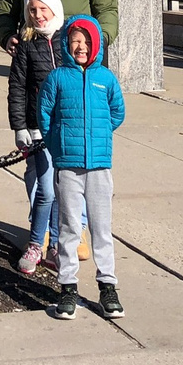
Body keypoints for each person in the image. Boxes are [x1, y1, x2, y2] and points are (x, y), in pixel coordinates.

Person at [37, 16, 125, 321]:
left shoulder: (106, 79)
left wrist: (100, 137)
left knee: (101, 228)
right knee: (70, 228)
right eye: (75, 40)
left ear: (97, 44)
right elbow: (44, 113)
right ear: (66, 44)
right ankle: (68, 287)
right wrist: (57, 143)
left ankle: (107, 286)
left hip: (99, 165)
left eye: (87, 41)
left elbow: (118, 112)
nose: (81, 46)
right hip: (68, 166)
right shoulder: (58, 78)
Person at [7, 0, 64, 275]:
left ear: (54, 8)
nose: (38, 15)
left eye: (42, 9)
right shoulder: (27, 43)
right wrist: (20, 127)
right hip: (37, 129)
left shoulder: (69, 39)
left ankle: (55, 244)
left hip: (65, 129)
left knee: (60, 187)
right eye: (32, 10)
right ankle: (35, 243)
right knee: (46, 188)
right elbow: (17, 87)